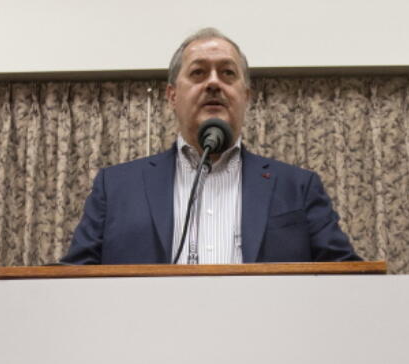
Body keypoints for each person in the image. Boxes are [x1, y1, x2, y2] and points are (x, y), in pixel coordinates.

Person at [60, 28, 361, 264]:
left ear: (246, 95)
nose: (213, 83)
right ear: (172, 96)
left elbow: (346, 277)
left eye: (227, 73)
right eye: (198, 72)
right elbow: (74, 279)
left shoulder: (298, 187)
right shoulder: (116, 188)